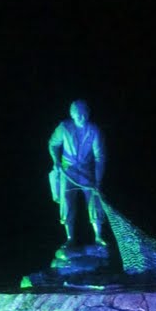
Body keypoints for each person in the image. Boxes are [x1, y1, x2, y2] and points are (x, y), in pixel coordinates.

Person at [48, 99, 106, 251]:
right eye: (77, 113)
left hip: (86, 171)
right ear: (72, 114)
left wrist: (98, 181)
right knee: (66, 202)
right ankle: (70, 238)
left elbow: (100, 157)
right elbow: (53, 144)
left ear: (88, 113)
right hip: (68, 170)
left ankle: (98, 236)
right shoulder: (64, 127)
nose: (81, 116)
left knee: (94, 199)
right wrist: (56, 161)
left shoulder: (94, 130)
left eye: (84, 112)